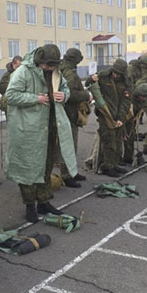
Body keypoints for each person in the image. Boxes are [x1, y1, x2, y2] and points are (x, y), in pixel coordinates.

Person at [5, 45, 76, 223]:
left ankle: (43, 201)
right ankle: (30, 206)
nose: (51, 69)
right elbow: (11, 96)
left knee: (46, 166)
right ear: (39, 61)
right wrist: (35, 99)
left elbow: (65, 88)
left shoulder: (55, 72)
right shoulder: (23, 71)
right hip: (28, 130)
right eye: (48, 65)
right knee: (28, 168)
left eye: (53, 65)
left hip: (50, 127)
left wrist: (64, 95)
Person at [85, 59, 130, 177]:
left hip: (119, 114)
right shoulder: (103, 76)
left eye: (118, 74)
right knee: (109, 141)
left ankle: (115, 164)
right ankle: (107, 166)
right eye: (114, 72)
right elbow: (88, 84)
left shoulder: (127, 82)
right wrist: (91, 79)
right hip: (105, 114)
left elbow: (126, 101)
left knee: (118, 141)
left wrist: (121, 118)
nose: (115, 75)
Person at [58, 48, 91, 188]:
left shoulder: (62, 68)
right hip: (69, 113)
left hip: (66, 113)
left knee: (69, 145)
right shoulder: (69, 73)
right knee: (69, 145)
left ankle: (71, 172)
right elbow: (69, 94)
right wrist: (85, 95)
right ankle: (67, 175)